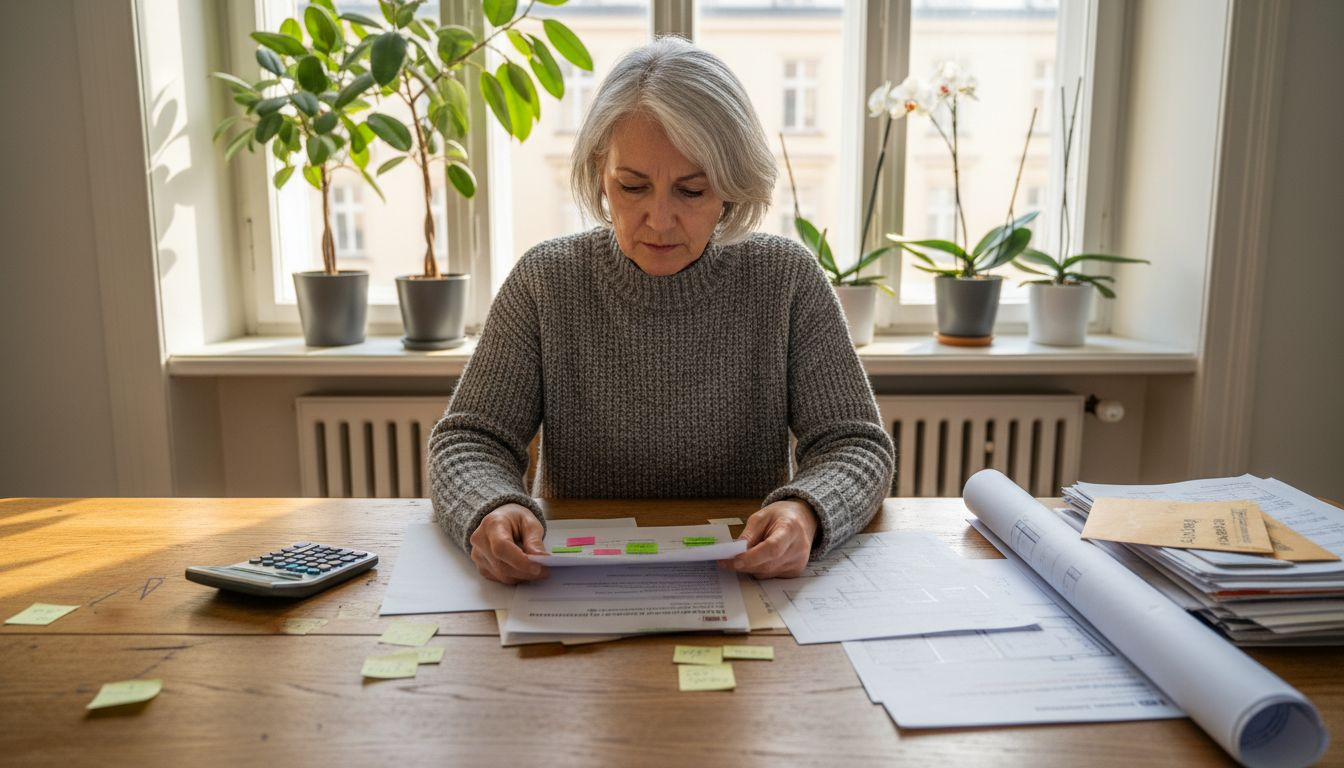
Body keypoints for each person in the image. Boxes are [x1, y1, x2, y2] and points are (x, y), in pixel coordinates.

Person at [428, 37, 894, 585]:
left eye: (691, 191)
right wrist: (490, 507)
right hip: (576, 584)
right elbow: (468, 439)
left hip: (741, 576)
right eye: (633, 186)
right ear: (600, 173)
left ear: (731, 187)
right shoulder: (547, 281)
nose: (659, 219)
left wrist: (809, 510)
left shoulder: (785, 278)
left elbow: (855, 442)